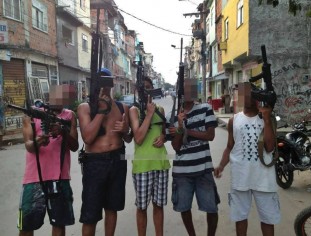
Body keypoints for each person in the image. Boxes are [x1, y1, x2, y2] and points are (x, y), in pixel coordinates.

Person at [214, 82, 280, 236]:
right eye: (243, 94)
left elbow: (270, 148)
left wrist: (267, 119)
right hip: (240, 176)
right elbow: (230, 146)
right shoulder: (234, 120)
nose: (247, 98)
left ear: (257, 96)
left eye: (250, 93)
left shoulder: (266, 118)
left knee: (268, 219)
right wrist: (221, 165)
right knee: (240, 218)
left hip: (264, 178)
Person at [17, 84, 79, 236]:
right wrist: (38, 142)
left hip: (60, 178)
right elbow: (29, 145)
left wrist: (63, 132)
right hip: (33, 179)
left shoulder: (70, 115)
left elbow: (75, 146)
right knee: (25, 226)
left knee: (59, 224)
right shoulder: (31, 114)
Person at [77, 68, 131, 236]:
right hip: (95, 162)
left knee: (112, 207)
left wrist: (125, 129)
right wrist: (101, 111)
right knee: (90, 214)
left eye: (107, 81)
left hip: (118, 158)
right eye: (100, 81)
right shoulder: (86, 107)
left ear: (112, 83)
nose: (104, 86)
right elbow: (87, 137)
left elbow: (128, 139)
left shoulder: (123, 108)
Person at [167, 79, 220, 236]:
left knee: (212, 208)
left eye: (192, 89)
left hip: (203, 169)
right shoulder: (175, 116)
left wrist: (187, 132)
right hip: (182, 172)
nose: (189, 92)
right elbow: (176, 147)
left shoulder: (205, 109)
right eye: (185, 89)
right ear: (180, 92)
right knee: (184, 207)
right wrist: (179, 127)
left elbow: (210, 135)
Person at [129, 77, 170, 236]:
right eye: (143, 88)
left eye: (148, 87)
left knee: (159, 206)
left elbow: (163, 133)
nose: (146, 91)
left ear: (153, 89)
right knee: (142, 207)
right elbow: (138, 138)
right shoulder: (135, 110)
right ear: (138, 91)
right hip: (142, 166)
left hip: (161, 163)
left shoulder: (160, 109)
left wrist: (163, 138)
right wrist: (148, 114)